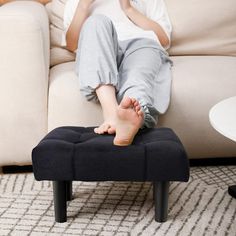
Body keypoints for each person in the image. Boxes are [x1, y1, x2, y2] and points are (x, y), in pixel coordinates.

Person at [63, 0, 173, 146]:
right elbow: (71, 44)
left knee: (138, 76)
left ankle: (131, 118)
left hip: (141, 44)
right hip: (101, 47)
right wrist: (83, 5)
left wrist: (128, 8)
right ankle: (112, 114)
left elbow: (164, 39)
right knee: (95, 22)